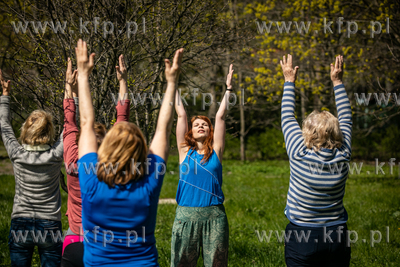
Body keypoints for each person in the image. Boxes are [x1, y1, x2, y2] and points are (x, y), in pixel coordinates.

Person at [75, 39, 183, 266]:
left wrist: (83, 75)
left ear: (105, 147)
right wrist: (171, 83)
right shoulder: (149, 184)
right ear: (142, 152)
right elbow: (163, 129)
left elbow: (86, 123)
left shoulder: (90, 181)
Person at [280, 54, 352, 266]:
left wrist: (289, 80)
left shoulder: (298, 153)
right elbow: (346, 118)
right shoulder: (344, 155)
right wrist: (337, 81)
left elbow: (286, 115)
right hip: (337, 234)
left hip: (302, 235)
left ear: (307, 133)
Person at [61, 55, 130, 267]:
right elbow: (122, 121)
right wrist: (122, 81)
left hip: (74, 240)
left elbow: (69, 121)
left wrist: (69, 86)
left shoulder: (73, 162)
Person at [170, 64, 234, 267]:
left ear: (210, 131)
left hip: (214, 217)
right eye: (196, 124)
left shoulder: (217, 151)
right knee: (181, 263)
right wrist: (173, 82)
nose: (200, 126)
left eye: (204, 124)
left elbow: (221, 116)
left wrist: (229, 89)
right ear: (191, 130)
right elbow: (180, 114)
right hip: (185, 217)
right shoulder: (183, 152)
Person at [0, 69, 63, 266]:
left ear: (26, 128)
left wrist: (5, 95)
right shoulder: (55, 155)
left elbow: (3, 123)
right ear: (49, 130)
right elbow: (71, 127)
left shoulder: (17, 154)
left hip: (21, 223)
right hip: (50, 225)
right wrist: (72, 92)